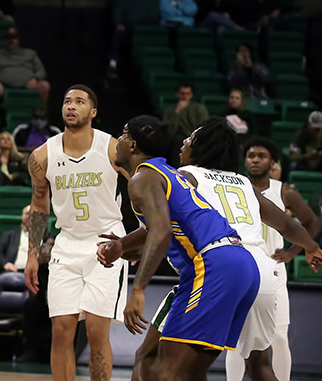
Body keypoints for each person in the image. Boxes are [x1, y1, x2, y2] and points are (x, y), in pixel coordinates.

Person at [126, 119, 322, 381]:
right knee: (259, 366)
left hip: (220, 266)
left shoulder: (185, 177)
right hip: (261, 272)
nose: (183, 143)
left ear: (202, 147)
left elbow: (158, 227)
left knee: (167, 365)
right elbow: (286, 223)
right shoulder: (243, 182)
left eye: (190, 139)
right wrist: (310, 246)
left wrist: (124, 246)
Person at [110, 115, 260, 381]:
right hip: (240, 263)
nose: (118, 141)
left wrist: (138, 289)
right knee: (174, 367)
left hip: (213, 265)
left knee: (168, 373)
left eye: (122, 134)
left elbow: (162, 232)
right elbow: (160, 231)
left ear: (133, 145)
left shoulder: (142, 179)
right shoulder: (169, 174)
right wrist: (120, 247)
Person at [22, 85, 130, 381]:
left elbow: (142, 186)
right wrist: (33, 254)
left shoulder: (112, 147)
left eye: (79, 102)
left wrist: (135, 241)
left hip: (106, 242)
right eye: (67, 101)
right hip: (67, 244)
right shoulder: (43, 155)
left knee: (96, 331)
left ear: (93, 112)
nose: (71, 106)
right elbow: (39, 204)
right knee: (61, 330)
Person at [238, 136, 322, 378]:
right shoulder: (235, 187)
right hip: (244, 267)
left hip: (274, 271)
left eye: (261, 156)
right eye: (251, 155)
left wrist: (291, 252)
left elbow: (312, 223)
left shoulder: (284, 191)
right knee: (235, 337)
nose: (255, 160)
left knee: (278, 336)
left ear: (273, 162)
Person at [107, 0, 160, 77]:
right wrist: (119, 23)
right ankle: (112, 65)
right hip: (128, 27)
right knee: (118, 32)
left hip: (147, 28)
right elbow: (118, 14)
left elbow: (154, 16)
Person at [0, 27, 50, 104]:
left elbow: (41, 71)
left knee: (44, 85)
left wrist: (35, 78)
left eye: (14, 37)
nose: (11, 40)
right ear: (4, 39)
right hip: (1, 86)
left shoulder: (30, 53)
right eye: (8, 37)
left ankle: (41, 111)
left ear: (19, 39)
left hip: (28, 84)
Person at [0, 205, 32, 274]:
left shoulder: (47, 237)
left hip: (38, 274)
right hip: (14, 272)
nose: (30, 216)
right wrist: (6, 263)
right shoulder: (9, 235)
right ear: (22, 216)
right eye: (27, 213)